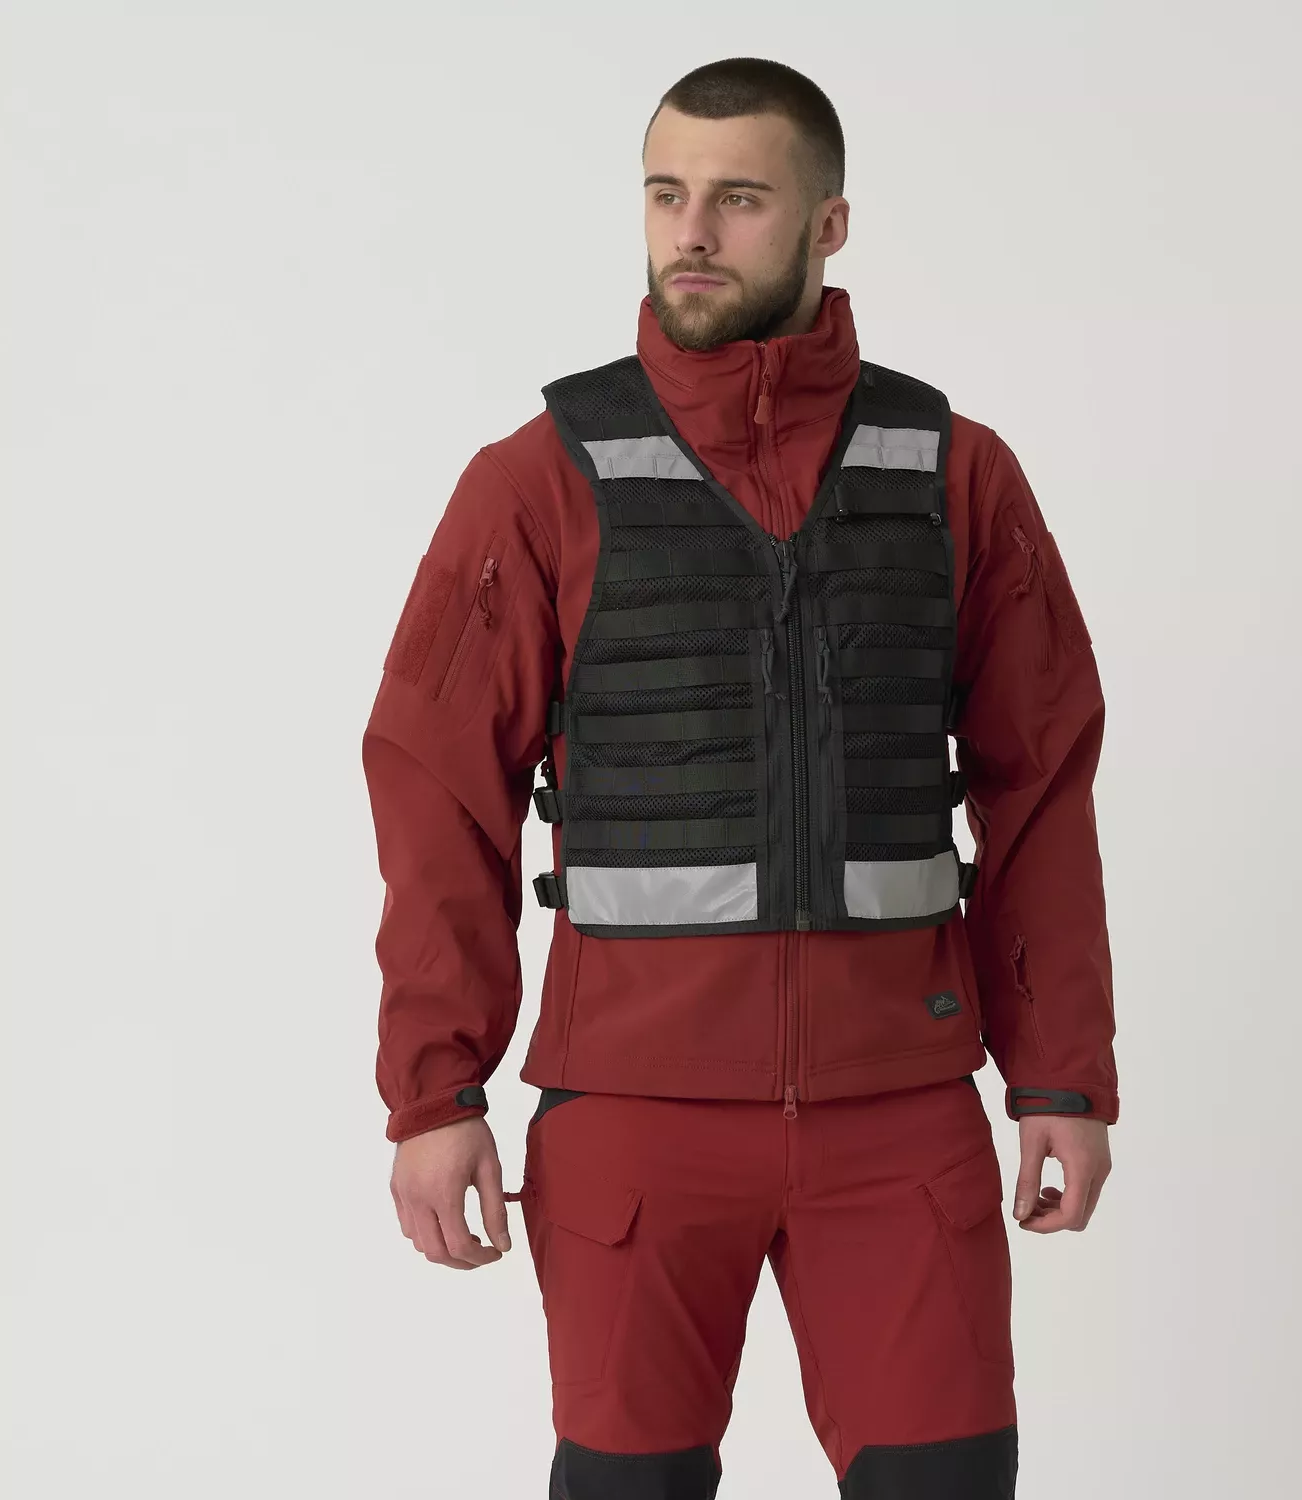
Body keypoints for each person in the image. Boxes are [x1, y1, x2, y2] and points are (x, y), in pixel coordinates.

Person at [363, 55, 1119, 1500]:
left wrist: (1063, 1075)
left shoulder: (955, 472)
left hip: (900, 1117)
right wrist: (434, 1092)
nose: (692, 233)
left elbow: (1043, 787)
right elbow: (434, 789)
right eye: (666, 195)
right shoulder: (537, 480)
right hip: (631, 1125)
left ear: (829, 225)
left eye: (739, 199)